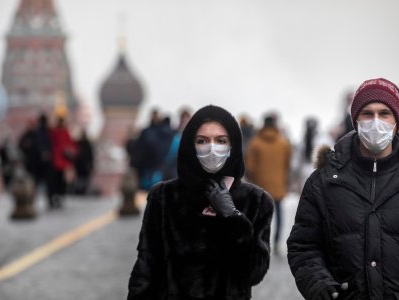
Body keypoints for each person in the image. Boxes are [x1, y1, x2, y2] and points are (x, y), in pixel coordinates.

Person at [287, 78, 399, 300]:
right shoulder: (324, 181)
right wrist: (319, 285)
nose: (376, 121)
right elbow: (304, 245)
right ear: (355, 120)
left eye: (384, 113)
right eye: (367, 114)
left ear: (397, 121)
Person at [127, 105, 274, 300]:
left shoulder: (256, 201)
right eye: (202, 140)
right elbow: (146, 268)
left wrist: (232, 217)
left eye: (221, 140)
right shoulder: (163, 197)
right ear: (190, 145)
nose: (212, 148)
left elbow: (253, 273)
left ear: (233, 146)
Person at [245, 114, 292, 255]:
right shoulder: (283, 143)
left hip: (260, 187)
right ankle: (277, 243)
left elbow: (250, 167)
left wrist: (253, 180)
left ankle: (259, 242)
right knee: (278, 215)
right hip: (278, 185)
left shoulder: (255, 143)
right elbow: (287, 165)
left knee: (259, 216)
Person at [48, 117, 78, 208]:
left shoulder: (54, 132)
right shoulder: (63, 132)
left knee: (56, 180)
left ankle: (56, 196)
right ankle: (59, 196)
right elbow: (71, 145)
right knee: (60, 181)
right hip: (61, 161)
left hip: (56, 160)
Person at [74, 129, 94, 195]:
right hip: (79, 164)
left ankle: (83, 190)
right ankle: (78, 190)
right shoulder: (78, 143)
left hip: (85, 164)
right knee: (79, 178)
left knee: (85, 178)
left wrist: (91, 164)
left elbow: (90, 155)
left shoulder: (87, 144)